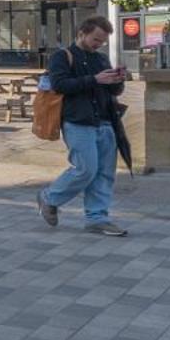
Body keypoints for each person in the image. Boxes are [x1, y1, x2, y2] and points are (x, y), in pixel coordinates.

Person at [38, 17, 129, 236]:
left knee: (105, 173)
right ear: (81, 33)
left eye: (103, 41)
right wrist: (95, 80)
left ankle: (97, 218)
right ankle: (49, 198)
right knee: (85, 169)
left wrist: (118, 80)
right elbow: (60, 85)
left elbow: (114, 92)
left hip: (106, 121)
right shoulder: (62, 56)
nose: (99, 44)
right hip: (78, 121)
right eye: (96, 39)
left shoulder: (101, 59)